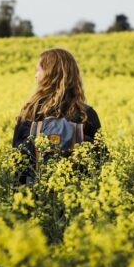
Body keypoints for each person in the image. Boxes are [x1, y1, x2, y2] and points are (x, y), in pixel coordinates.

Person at [12, 47, 103, 184]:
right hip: (77, 197)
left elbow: (18, 164)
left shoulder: (31, 113)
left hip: (35, 195)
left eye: (38, 70)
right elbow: (101, 161)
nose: (36, 75)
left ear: (49, 74)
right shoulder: (86, 114)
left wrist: (18, 199)